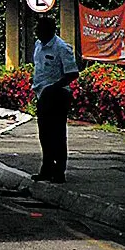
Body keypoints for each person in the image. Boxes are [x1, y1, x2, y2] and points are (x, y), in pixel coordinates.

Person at [29, 15, 79, 183]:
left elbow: (72, 73)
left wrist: (53, 88)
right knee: (44, 134)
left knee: (57, 134)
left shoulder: (62, 48)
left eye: (40, 29)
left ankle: (59, 171)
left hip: (57, 95)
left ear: (49, 30)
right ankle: (46, 168)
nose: (37, 32)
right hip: (42, 94)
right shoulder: (38, 45)